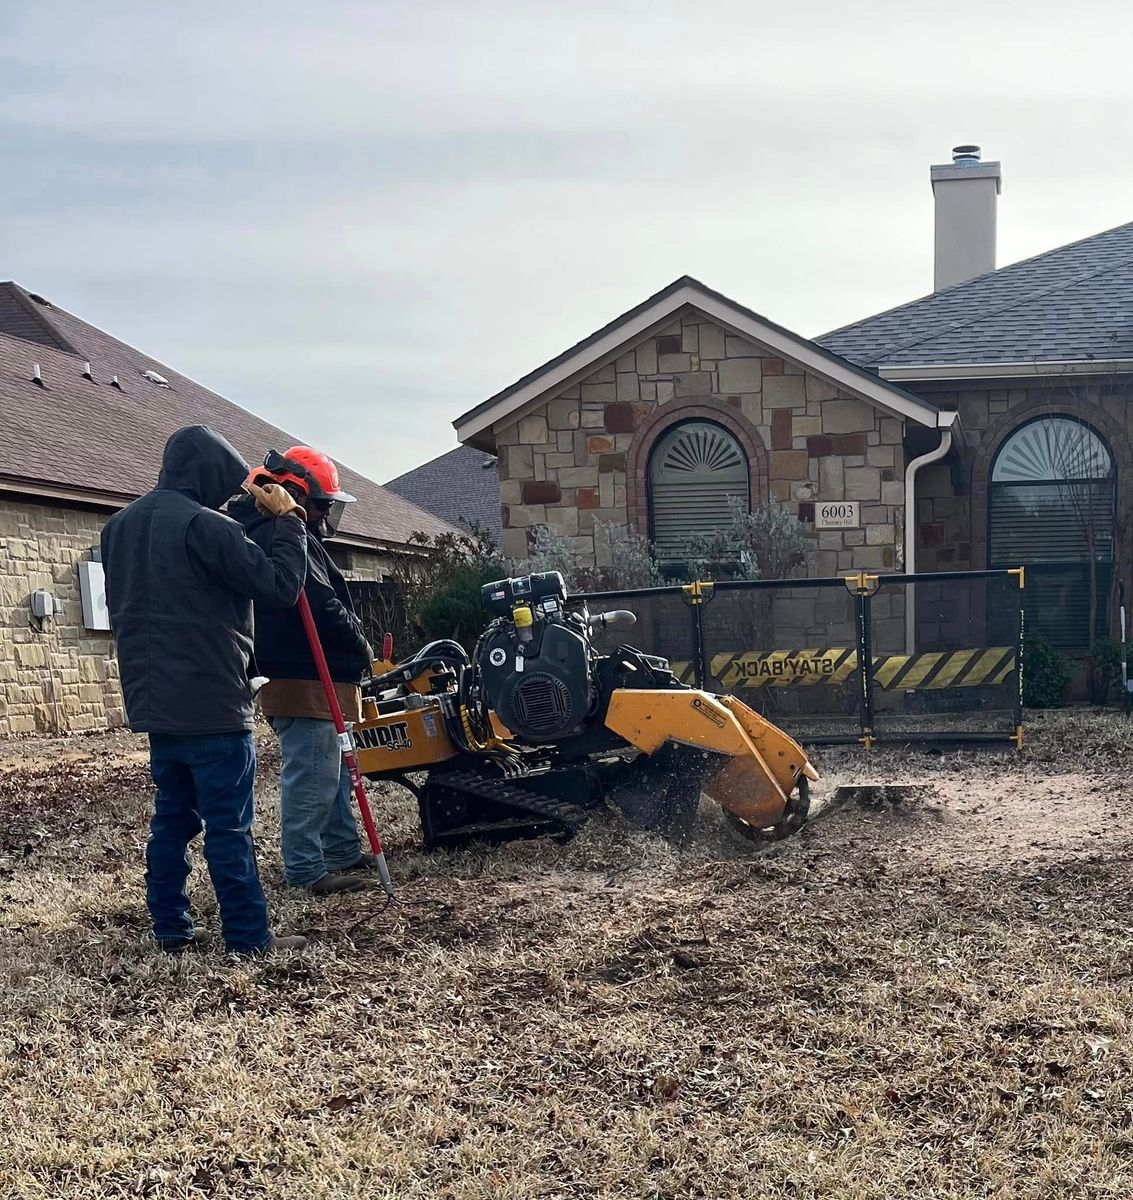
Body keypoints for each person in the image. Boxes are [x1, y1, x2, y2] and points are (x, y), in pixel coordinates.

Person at [101, 425, 309, 956]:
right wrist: (288, 521)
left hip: (155, 705)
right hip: (214, 702)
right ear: (209, 475)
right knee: (228, 827)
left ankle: (170, 926)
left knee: (171, 819)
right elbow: (281, 587)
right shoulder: (206, 525)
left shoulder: (118, 527)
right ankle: (248, 937)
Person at [232, 446, 375, 895]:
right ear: (295, 492)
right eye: (323, 504)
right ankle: (306, 869)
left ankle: (340, 850)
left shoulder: (275, 532)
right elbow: (318, 602)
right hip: (302, 676)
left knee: (328, 772)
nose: (326, 514)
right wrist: (361, 642)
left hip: (311, 675)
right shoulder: (282, 532)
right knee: (312, 774)